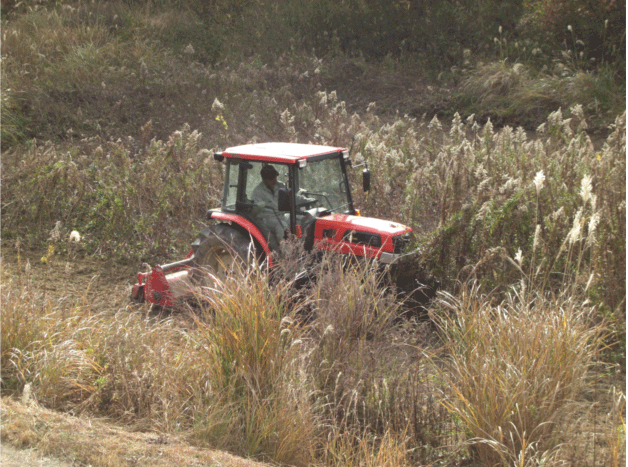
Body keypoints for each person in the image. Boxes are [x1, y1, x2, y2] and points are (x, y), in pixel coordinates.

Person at [251, 165, 288, 251]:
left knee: (300, 220)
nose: (273, 180)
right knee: (280, 226)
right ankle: (287, 256)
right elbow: (254, 210)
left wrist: (306, 200)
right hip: (266, 218)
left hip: (281, 215)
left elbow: (292, 197)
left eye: (274, 177)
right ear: (264, 179)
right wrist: (260, 205)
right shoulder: (258, 192)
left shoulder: (280, 186)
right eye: (270, 178)